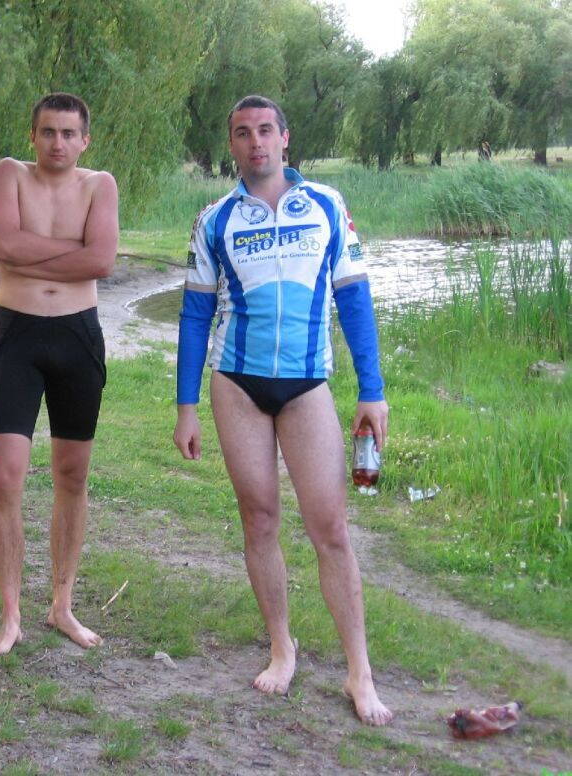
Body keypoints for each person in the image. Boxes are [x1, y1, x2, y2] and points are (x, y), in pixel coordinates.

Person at [173, 95, 393, 726]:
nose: (255, 142)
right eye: (243, 133)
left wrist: (372, 390)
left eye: (265, 130)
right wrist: (186, 405)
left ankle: (359, 671)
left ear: (285, 138)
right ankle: (281, 646)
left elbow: (354, 298)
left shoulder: (325, 205)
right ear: (232, 145)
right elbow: (194, 315)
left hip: (306, 384)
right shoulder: (215, 218)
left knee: (331, 528)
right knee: (260, 519)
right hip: (236, 383)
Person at [0, 93, 118, 656]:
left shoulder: (99, 185)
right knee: (4, 476)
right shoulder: (10, 175)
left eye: (68, 133)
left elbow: (101, 260)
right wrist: (69, 249)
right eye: (48, 132)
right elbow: (1, 244)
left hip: (77, 337)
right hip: (18, 335)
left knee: (72, 475)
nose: (57, 143)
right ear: (32, 135)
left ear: (85, 140)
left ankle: (62, 604)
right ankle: (10, 614)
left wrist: (26, 253)